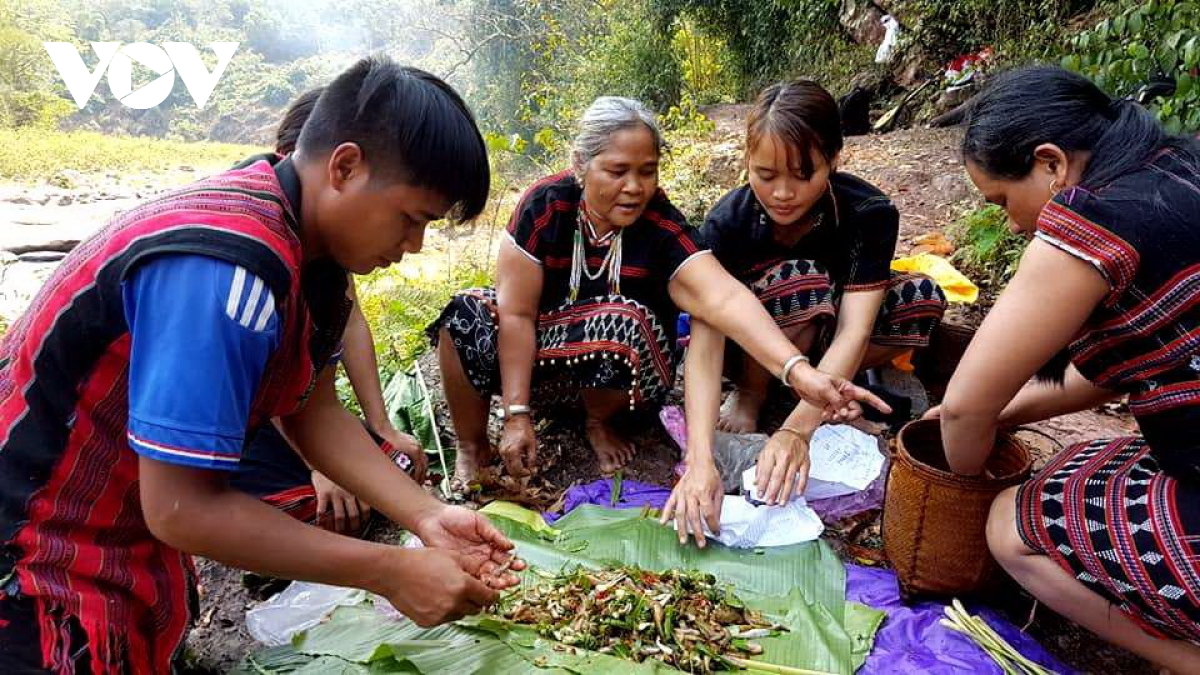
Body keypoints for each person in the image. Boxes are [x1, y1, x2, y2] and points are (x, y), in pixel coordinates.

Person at [0, 57, 522, 674]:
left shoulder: (310, 250)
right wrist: (389, 571)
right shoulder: (226, 268)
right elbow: (181, 509)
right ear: (346, 167)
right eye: (412, 219)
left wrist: (427, 515)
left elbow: (312, 409)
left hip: (121, 533)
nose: (413, 247)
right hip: (36, 550)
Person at [429, 96, 889, 487]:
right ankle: (472, 447)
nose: (634, 187)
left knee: (621, 320)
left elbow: (723, 300)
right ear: (580, 164)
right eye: (617, 171)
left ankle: (598, 421)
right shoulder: (545, 208)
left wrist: (797, 373)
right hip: (537, 354)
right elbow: (516, 315)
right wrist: (516, 412)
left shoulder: (661, 227)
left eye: (647, 171)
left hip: (618, 374)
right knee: (465, 314)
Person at [931, 66, 1200, 672]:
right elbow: (1129, 366)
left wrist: (964, 474)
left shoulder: (1096, 221)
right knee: (1075, 468)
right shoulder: (1178, 171)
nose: (1013, 223)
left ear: (1050, 164)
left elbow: (967, 406)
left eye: (1001, 200)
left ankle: (1187, 659)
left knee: (1010, 525)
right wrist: (1012, 411)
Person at [663, 81, 946, 542]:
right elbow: (707, 338)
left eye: (802, 174)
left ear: (835, 159)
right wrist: (700, 459)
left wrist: (797, 430)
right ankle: (754, 395)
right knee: (802, 280)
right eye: (765, 174)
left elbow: (856, 328)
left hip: (827, 335)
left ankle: (822, 389)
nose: (782, 193)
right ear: (747, 163)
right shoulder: (727, 224)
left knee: (922, 298)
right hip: (758, 348)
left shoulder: (869, 212)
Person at [232, 87, 427, 536]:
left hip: (291, 412)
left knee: (392, 472)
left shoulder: (324, 251)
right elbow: (268, 388)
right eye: (411, 220)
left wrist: (382, 427)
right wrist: (317, 468)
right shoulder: (251, 257)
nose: (414, 245)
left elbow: (345, 334)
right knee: (319, 509)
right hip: (239, 425)